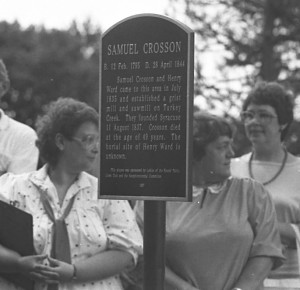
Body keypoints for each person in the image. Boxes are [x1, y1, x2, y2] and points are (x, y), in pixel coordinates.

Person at [0, 97, 143, 290]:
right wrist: (17, 263)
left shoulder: (107, 194)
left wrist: (75, 272)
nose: (96, 148)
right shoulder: (12, 188)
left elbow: (126, 251)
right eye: (88, 139)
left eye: (98, 140)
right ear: (60, 141)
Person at [135, 111, 284, 290]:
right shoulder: (157, 197)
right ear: (196, 152)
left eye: (230, 145)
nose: (231, 153)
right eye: (222, 147)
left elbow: (266, 251)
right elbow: (144, 256)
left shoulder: (251, 192)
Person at [231, 81, 300, 289]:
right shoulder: (232, 169)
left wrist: (266, 228)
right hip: (240, 280)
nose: (254, 121)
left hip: (290, 281)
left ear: (283, 122)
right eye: (249, 115)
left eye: (264, 115)